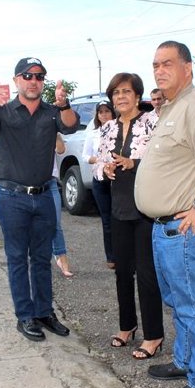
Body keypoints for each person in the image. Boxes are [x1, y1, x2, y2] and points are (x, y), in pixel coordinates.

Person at [136, 41, 195, 388]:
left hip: (186, 227)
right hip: (166, 228)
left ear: (188, 68)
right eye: (155, 64)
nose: (159, 71)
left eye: (168, 64)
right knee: (179, 302)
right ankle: (185, 360)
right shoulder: (173, 107)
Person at [0, 57, 79, 342]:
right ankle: (25, 316)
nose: (33, 81)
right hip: (11, 198)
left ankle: (43, 312)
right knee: (17, 259)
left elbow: (70, 126)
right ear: (16, 80)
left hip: (44, 197)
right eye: (27, 76)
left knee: (41, 258)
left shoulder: (52, 112)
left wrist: (63, 103)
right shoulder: (2, 111)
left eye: (39, 76)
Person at [93, 72, 163, 360]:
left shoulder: (152, 122)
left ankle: (154, 334)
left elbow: (163, 159)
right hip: (118, 207)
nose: (120, 97)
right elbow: (97, 165)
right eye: (115, 93)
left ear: (137, 95)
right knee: (122, 272)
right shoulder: (107, 128)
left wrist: (134, 162)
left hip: (146, 208)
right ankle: (127, 326)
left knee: (147, 274)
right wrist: (105, 170)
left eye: (126, 91)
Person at [82, 100, 117, 269]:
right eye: (100, 112)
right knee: (107, 218)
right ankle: (111, 256)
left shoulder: (120, 129)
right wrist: (98, 159)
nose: (104, 114)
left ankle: (125, 253)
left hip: (118, 178)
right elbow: (85, 156)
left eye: (107, 111)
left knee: (120, 217)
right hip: (100, 178)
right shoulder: (93, 133)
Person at [50, 133, 73, 277]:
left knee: (55, 223)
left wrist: (56, 132)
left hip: (49, 182)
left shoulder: (49, 126)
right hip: (27, 184)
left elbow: (60, 149)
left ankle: (62, 258)